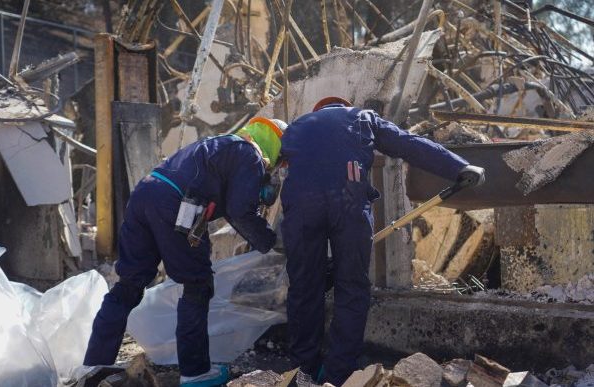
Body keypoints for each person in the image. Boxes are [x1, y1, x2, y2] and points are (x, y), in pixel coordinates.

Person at [279, 97, 485, 386]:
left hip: (301, 207)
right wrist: (459, 167)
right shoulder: (362, 117)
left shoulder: (296, 127)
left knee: (303, 287)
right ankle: (338, 375)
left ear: (319, 111)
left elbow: (266, 169)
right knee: (351, 287)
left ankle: (303, 371)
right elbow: (408, 144)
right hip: (348, 203)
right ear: (343, 106)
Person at [83, 117, 287, 387]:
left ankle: (97, 364)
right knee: (197, 285)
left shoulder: (221, 144)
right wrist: (274, 243)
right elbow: (241, 211)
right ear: (275, 145)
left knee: (128, 286)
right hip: (176, 204)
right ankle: (195, 373)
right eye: (282, 161)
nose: (279, 167)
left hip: (145, 193)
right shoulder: (249, 155)